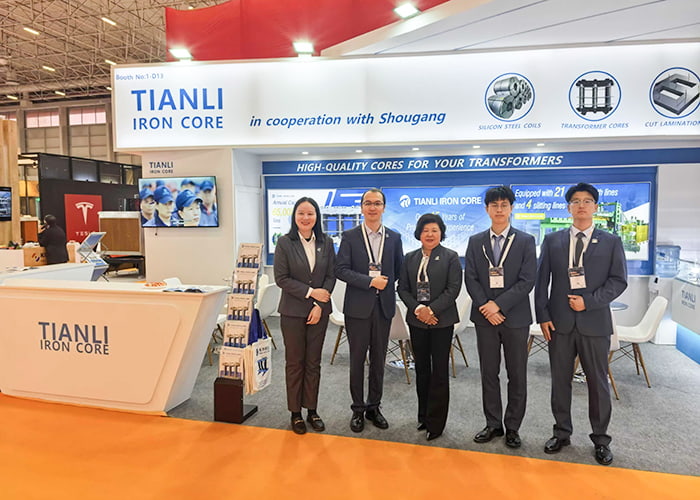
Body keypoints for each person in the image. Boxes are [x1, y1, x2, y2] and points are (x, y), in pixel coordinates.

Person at [535, 182, 627, 466]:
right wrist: (543, 316)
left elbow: (618, 281)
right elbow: (542, 281)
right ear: (569, 208)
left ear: (595, 207)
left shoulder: (611, 242)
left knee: (597, 383)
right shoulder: (553, 240)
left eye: (587, 201)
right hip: (559, 323)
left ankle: (601, 439)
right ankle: (561, 433)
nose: (581, 205)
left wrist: (589, 301)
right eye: (576, 201)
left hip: (594, 323)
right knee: (559, 381)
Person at [464, 186, 536, 449]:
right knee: (488, 373)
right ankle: (493, 423)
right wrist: (487, 306)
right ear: (487, 209)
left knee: (516, 374)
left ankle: (513, 427)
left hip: (515, 318)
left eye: (504, 205)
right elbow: (471, 278)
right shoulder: (476, 241)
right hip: (485, 319)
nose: (499, 209)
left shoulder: (526, 241)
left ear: (511, 208)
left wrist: (499, 306)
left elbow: (527, 280)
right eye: (494, 205)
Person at [335, 188, 403, 433]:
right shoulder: (350, 236)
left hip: (383, 308)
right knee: (356, 360)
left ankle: (374, 406)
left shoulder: (394, 237)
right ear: (362, 207)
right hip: (357, 308)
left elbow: (398, 270)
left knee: (378, 360)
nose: (372, 207)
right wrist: (370, 281)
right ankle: (357, 409)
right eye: (368, 203)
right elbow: (340, 270)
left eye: (377, 203)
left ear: (384, 207)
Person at [274, 197, 336, 435]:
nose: (306, 218)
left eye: (310, 213)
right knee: (294, 362)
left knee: (313, 362)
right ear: (294, 216)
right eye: (301, 213)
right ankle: (295, 413)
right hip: (292, 312)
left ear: (317, 217)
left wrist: (319, 303)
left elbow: (331, 275)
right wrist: (311, 292)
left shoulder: (327, 242)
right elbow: (282, 278)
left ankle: (312, 410)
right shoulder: (284, 242)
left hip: (318, 312)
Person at [398, 213, 461, 441]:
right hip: (417, 322)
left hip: (441, 322)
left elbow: (453, 289)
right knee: (422, 369)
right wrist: (419, 310)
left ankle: (436, 424)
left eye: (434, 230)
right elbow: (402, 288)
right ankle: (423, 416)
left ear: (441, 233)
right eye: (425, 230)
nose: (430, 234)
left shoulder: (451, 257)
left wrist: (431, 311)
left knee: (439, 372)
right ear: (419, 234)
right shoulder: (410, 258)